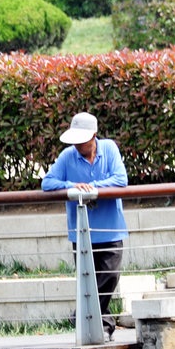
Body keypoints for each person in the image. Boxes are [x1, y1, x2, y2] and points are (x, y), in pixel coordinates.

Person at [41, 112, 128, 337]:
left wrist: (93, 188)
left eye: (82, 140)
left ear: (94, 135)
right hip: (81, 231)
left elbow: (121, 179)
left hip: (110, 228)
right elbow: (47, 182)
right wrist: (73, 186)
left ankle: (82, 316)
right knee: (87, 280)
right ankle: (104, 327)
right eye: (75, 140)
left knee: (109, 276)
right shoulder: (67, 156)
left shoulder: (109, 148)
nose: (78, 145)